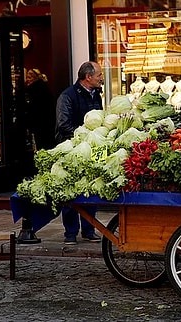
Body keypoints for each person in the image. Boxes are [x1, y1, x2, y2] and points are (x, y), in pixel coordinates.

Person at [55, 61, 104, 245]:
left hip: (91, 148)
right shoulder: (67, 96)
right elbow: (63, 125)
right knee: (71, 190)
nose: (101, 78)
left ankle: (89, 229)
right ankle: (70, 233)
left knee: (91, 187)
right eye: (98, 75)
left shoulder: (96, 95)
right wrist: (84, 135)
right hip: (72, 149)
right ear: (88, 77)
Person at [23, 68, 56, 151]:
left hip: (40, 124)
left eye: (30, 77)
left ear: (36, 78)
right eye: (27, 77)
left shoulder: (33, 90)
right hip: (48, 125)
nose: (27, 80)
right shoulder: (45, 88)